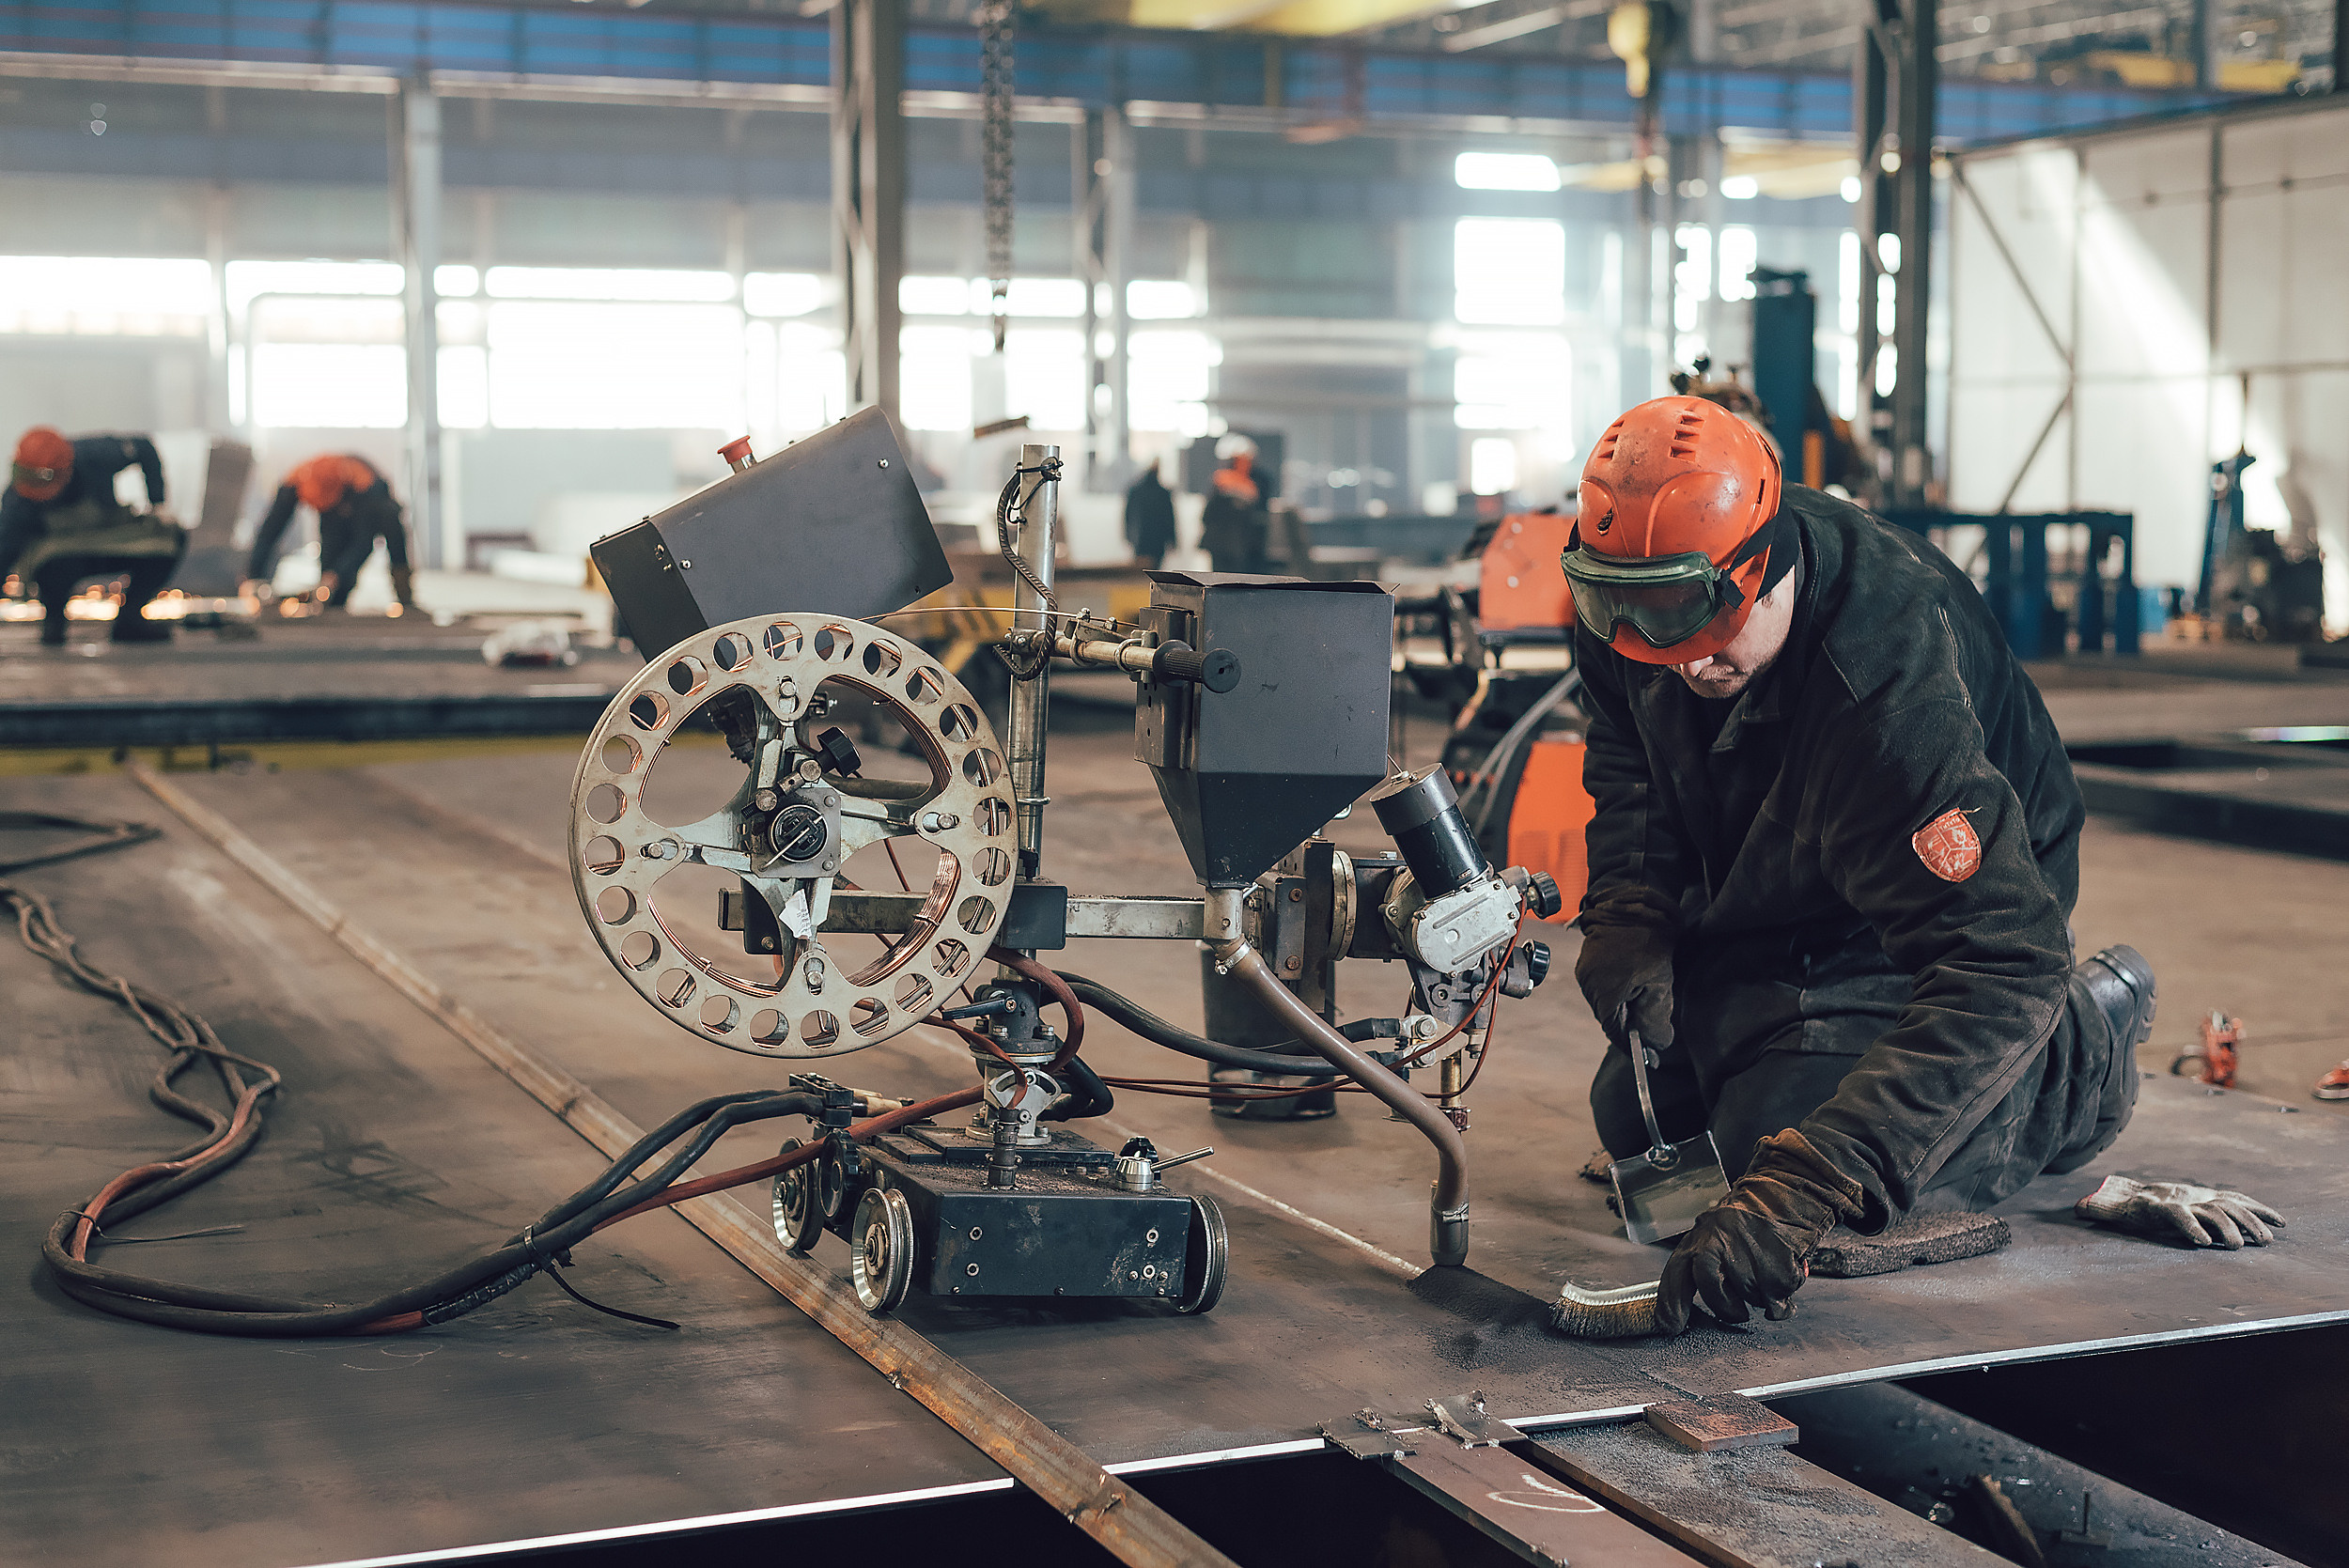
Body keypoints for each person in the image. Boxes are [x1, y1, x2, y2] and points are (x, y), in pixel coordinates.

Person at [1559, 395, 2255, 1338]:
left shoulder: (1883, 689)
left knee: (1774, 1150)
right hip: (1791, 871)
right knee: (1641, 1123)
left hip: (1961, 911)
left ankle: (2073, 1058)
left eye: (1700, 633)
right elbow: (1629, 761)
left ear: (1762, 564)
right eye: (1645, 632)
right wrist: (1632, 910)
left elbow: (2001, 960)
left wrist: (1806, 1186)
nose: (1682, 669)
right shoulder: (1638, 601)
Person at [0, 427, 185, 645]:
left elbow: (143, 447)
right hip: (61, 557)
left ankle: (130, 620)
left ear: (64, 470)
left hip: (112, 540)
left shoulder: (94, 454)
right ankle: (54, 623)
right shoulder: (19, 499)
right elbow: (5, 550)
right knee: (46, 565)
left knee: (170, 538)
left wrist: (157, 503)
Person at [244, 454, 415, 613]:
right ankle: (331, 603)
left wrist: (337, 575)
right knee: (330, 565)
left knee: (390, 520)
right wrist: (252, 575)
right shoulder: (295, 482)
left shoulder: (366, 485)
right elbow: (270, 531)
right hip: (336, 511)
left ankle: (405, 595)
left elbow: (363, 543)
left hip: (368, 507)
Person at [1198, 435, 1268, 574]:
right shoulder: (1222, 481)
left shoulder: (1252, 485)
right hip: (1226, 546)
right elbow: (1208, 515)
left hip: (1241, 546)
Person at [1123, 461, 1177, 569]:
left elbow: (1128, 516)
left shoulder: (1135, 491)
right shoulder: (1163, 493)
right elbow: (1169, 519)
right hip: (1158, 540)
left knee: (1141, 571)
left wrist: (1129, 535)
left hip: (1140, 539)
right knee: (1155, 571)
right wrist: (1173, 539)